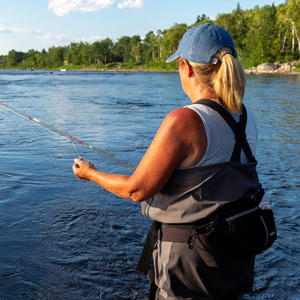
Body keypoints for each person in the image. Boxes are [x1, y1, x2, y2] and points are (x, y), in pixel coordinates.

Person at [73, 23, 260, 300]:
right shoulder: (245, 117)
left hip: (190, 263)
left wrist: (91, 173)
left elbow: (136, 190)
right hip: (233, 250)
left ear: (186, 67)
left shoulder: (184, 120)